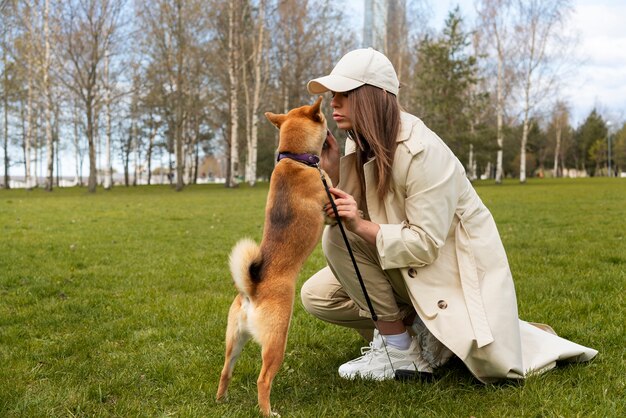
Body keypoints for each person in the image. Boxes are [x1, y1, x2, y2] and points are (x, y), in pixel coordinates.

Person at [300, 47, 597, 381]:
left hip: (445, 270)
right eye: (333, 94)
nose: (334, 102)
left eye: (344, 94)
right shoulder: (359, 142)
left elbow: (424, 243)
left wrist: (356, 223)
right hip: (404, 260)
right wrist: (333, 172)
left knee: (340, 236)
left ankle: (400, 347)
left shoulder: (422, 151)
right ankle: (419, 334)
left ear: (376, 97)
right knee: (319, 296)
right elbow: (352, 216)